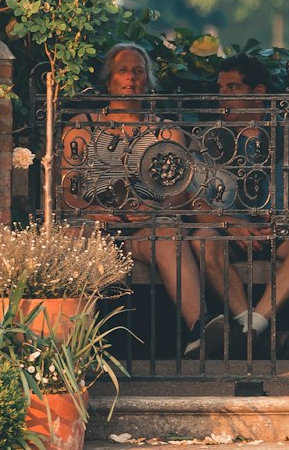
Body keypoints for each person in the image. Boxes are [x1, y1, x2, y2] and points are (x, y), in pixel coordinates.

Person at [60, 42, 208, 356]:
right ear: (108, 79)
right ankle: (73, 345)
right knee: (74, 239)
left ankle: (201, 332)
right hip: (94, 226)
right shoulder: (82, 126)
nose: (131, 78)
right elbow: (67, 193)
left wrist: (153, 208)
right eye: (123, 70)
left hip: (146, 227)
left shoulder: (164, 132)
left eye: (138, 71)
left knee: (169, 236)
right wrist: (97, 211)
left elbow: (180, 195)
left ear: (147, 80)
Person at [192, 54, 289, 359]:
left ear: (258, 92)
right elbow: (198, 204)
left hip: (280, 233)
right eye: (221, 89)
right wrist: (229, 225)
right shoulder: (209, 140)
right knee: (202, 239)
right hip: (231, 234)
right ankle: (252, 326)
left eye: (233, 88)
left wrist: (284, 221)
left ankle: (252, 327)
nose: (224, 96)